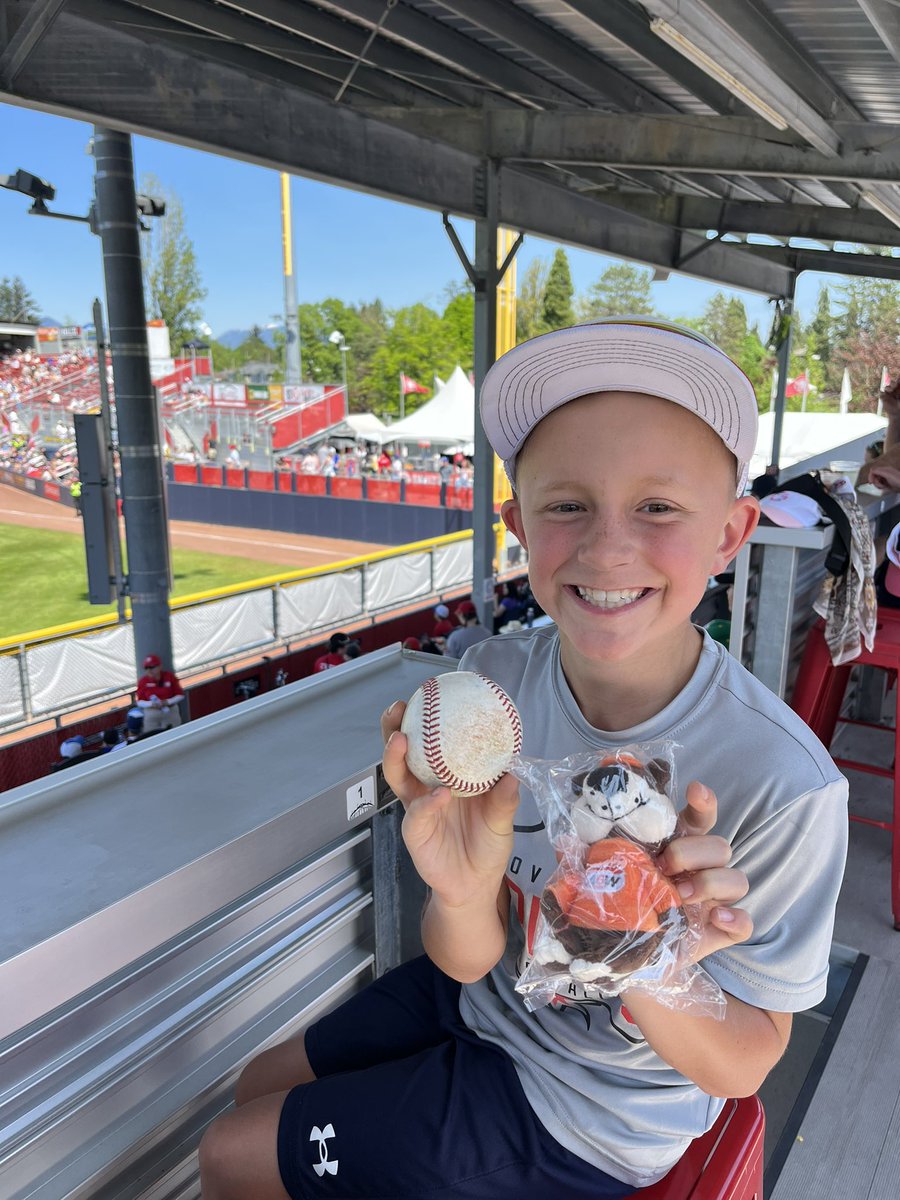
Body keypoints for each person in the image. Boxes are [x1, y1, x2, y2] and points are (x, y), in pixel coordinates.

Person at [197, 319, 848, 1200]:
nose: (607, 547)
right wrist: (463, 895)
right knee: (256, 1087)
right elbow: (468, 955)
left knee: (229, 1155)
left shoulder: (784, 782)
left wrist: (638, 955)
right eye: (566, 504)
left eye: (658, 507)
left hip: (588, 1102)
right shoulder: (493, 683)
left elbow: (743, 1066)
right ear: (516, 524)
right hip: (482, 995)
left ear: (731, 533)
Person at [136, 654, 186, 733]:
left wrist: (167, 702)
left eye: (152, 667)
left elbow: (180, 695)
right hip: (152, 713)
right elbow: (139, 702)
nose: (149, 670)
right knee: (151, 737)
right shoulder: (143, 681)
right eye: (146, 668)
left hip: (170, 711)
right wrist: (151, 704)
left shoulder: (169, 676)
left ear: (159, 666)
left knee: (174, 734)